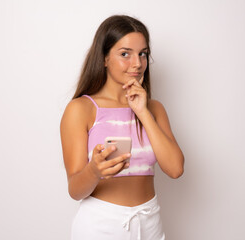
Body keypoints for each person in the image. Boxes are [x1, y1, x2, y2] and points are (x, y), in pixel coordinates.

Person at [60, 15, 184, 240]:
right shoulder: (81, 109)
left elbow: (175, 169)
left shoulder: (154, 109)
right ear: (104, 58)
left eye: (142, 54)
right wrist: (94, 171)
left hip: (150, 222)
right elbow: (75, 190)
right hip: (100, 225)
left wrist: (143, 112)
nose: (137, 63)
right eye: (125, 54)